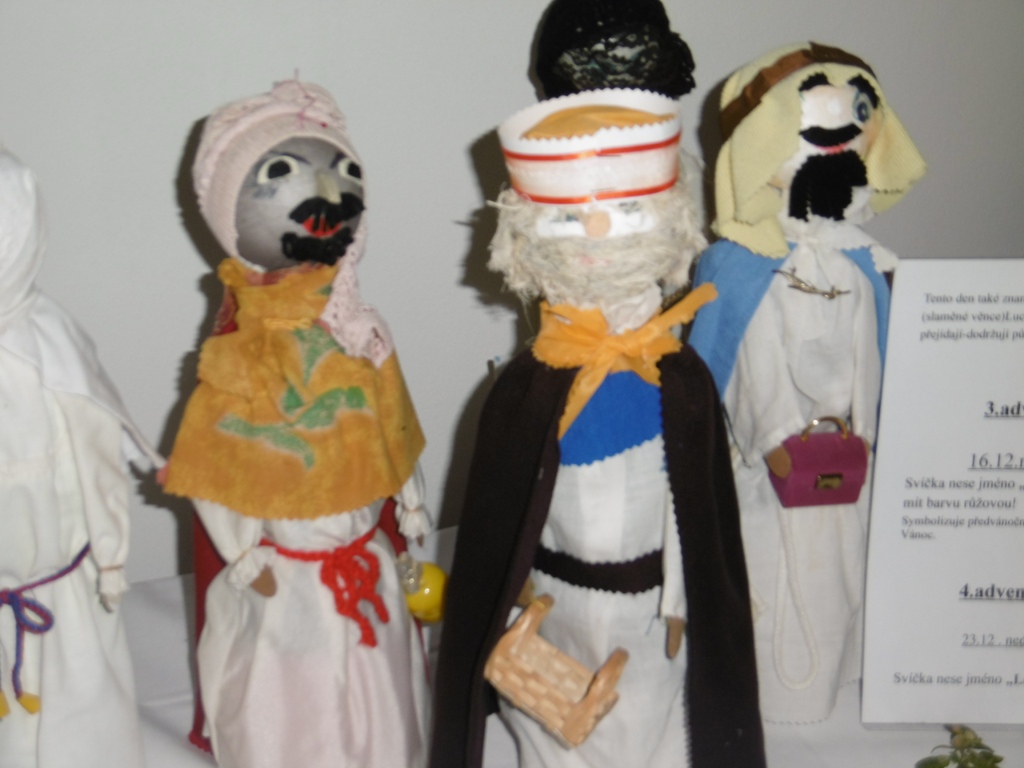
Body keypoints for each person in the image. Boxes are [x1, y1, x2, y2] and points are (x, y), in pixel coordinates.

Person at [688, 42, 927, 723]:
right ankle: (781, 696)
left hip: (852, 454)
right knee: (777, 572)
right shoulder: (740, 264)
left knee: (848, 570)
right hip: (778, 460)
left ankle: (853, 671)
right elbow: (747, 352)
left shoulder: (862, 260)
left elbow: (872, 349)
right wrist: (774, 436)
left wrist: (874, 429)